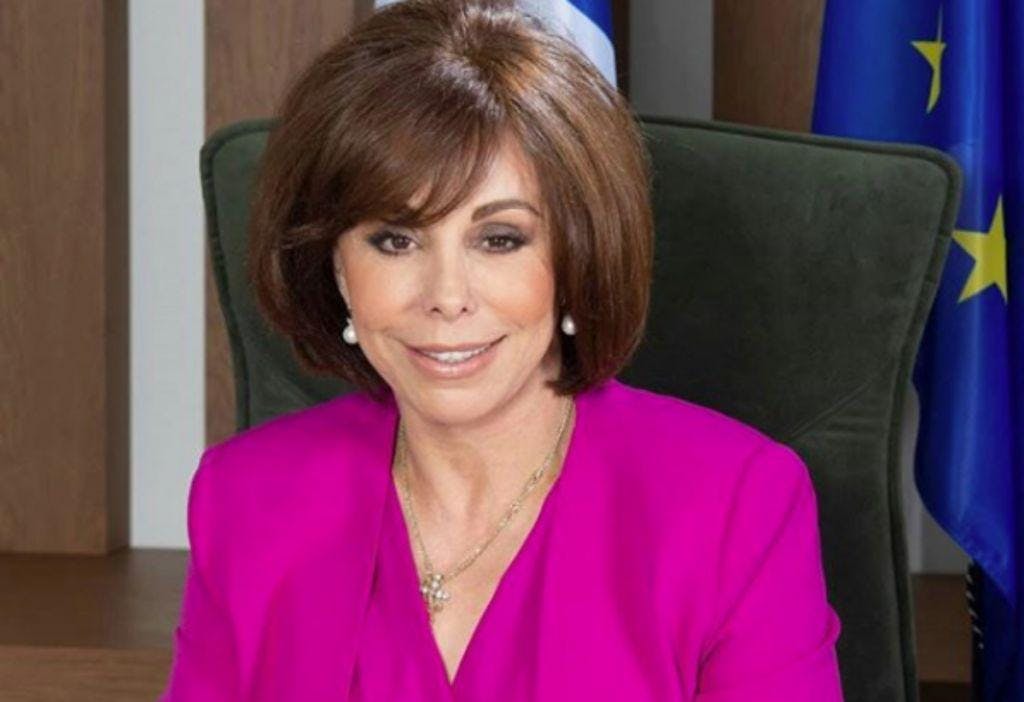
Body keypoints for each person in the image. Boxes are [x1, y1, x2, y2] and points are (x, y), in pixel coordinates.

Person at [159, 0, 844, 699]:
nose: (446, 296)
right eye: (395, 240)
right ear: (338, 268)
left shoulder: (736, 507)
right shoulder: (244, 500)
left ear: (576, 256)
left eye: (499, 239)